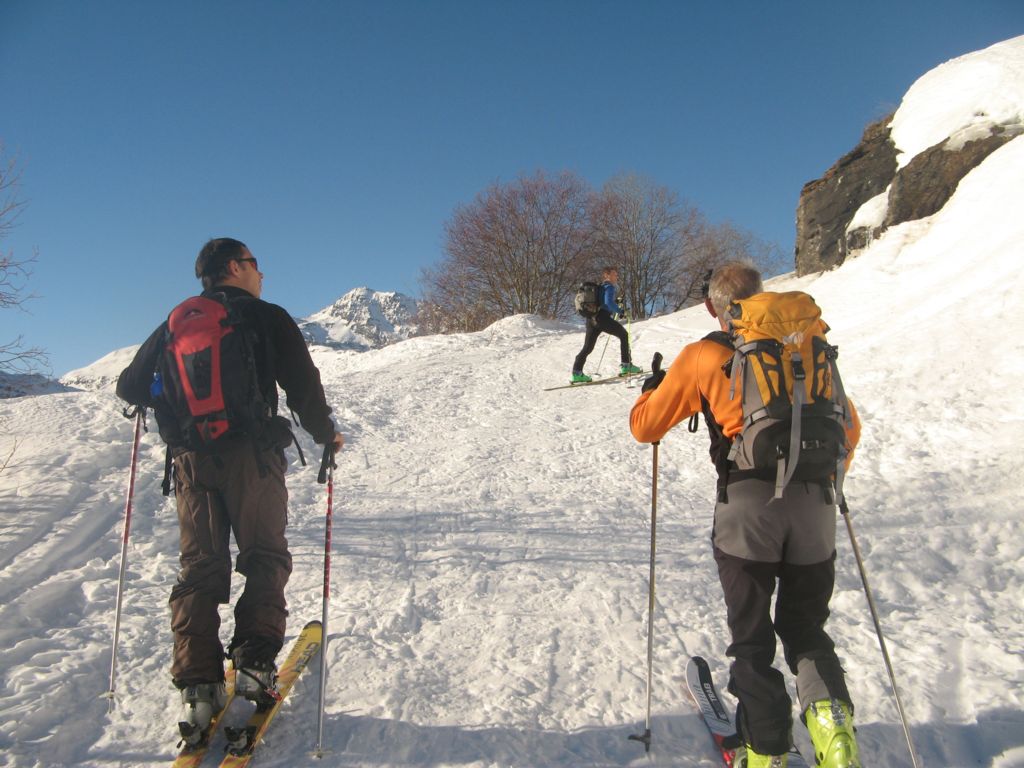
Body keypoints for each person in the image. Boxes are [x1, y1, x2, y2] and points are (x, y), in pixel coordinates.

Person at [628, 261, 862, 768]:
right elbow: (850, 429)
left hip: (749, 507)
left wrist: (651, 392)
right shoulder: (807, 345)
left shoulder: (704, 355)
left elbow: (645, 428)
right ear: (758, 296)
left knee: (752, 637)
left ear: (713, 306)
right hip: (817, 505)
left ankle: (766, 750)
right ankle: (831, 726)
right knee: (806, 628)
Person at [116, 238, 343, 741]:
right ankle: (255, 665)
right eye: (257, 264)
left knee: (200, 567)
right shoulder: (265, 316)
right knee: (263, 554)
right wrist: (327, 434)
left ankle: (197, 685)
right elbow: (302, 383)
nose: (263, 274)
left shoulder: (178, 318)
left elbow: (130, 387)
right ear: (235, 267)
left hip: (191, 463)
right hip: (252, 458)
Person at [571, 266, 642, 382]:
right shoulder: (609, 287)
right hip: (602, 318)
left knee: (587, 347)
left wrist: (616, 303)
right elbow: (608, 303)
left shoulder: (600, 288)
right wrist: (621, 311)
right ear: (607, 275)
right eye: (614, 274)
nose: (616, 276)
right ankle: (626, 365)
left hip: (591, 320)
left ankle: (576, 373)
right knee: (623, 335)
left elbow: (604, 302)